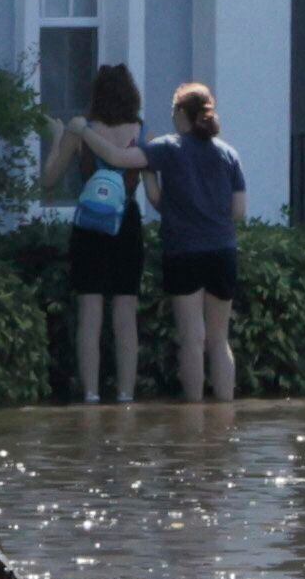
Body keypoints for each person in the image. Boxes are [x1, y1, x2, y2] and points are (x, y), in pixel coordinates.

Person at [46, 64, 152, 406]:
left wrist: (55, 139)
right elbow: (152, 185)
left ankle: (90, 393)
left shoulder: (81, 130)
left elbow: (49, 180)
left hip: (89, 225)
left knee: (89, 313)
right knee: (125, 314)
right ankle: (125, 394)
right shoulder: (141, 130)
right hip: (127, 222)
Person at [148, 83, 249, 404]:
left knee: (192, 339)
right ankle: (224, 415)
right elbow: (239, 211)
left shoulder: (167, 148)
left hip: (183, 251)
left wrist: (150, 171)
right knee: (219, 340)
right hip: (222, 251)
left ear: (181, 114)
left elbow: (153, 195)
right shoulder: (229, 153)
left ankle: (192, 417)